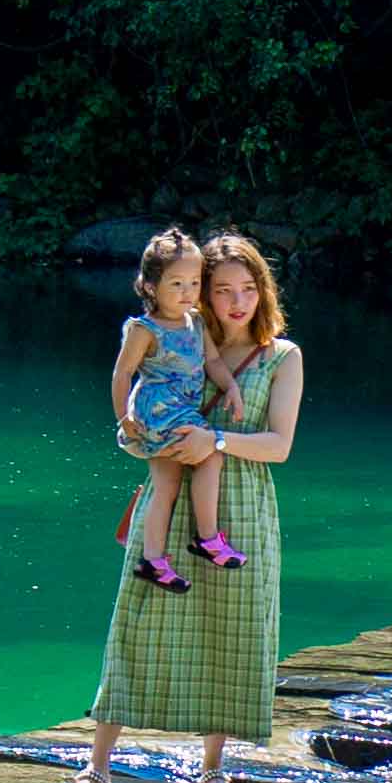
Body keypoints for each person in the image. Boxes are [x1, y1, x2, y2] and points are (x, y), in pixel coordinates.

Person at [81, 231, 302, 783]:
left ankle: (212, 770)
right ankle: (97, 768)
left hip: (242, 509)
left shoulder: (282, 356)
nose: (236, 301)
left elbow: (279, 445)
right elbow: (132, 399)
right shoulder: (175, 339)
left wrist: (216, 441)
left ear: (263, 291)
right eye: (221, 288)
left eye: (248, 288)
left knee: (231, 634)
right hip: (170, 500)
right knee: (137, 624)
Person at [108, 230, 235, 590]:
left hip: (181, 413)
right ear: (150, 286)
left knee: (167, 486)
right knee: (210, 456)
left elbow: (212, 360)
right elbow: (123, 374)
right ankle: (207, 538)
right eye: (176, 283)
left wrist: (233, 388)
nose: (187, 292)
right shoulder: (145, 329)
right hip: (159, 414)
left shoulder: (196, 322)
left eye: (194, 283)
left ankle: (152, 560)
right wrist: (123, 416)